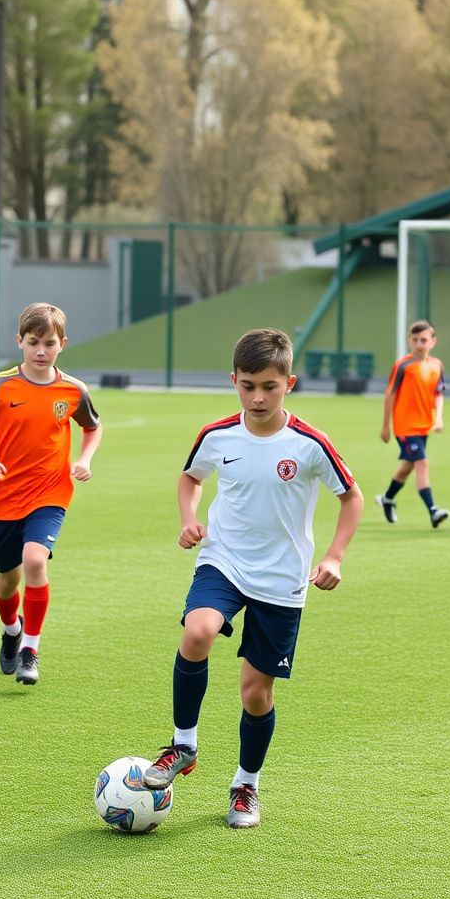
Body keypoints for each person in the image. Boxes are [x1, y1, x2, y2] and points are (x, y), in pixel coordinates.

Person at [141, 329, 363, 828]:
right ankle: (183, 745)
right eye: (248, 386)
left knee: (255, 694)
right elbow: (190, 478)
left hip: (282, 578)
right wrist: (188, 518)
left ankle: (246, 785)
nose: (258, 397)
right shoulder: (217, 435)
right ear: (234, 381)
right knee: (197, 631)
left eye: (269, 386)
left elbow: (351, 497)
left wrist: (334, 557)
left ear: (289, 383)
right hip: (224, 560)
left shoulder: (310, 444)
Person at [0, 303, 102, 686]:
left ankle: (30, 650)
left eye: (49, 343)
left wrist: (84, 459)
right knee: (7, 580)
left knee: (35, 560)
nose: (41, 351)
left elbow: (92, 427)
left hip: (51, 492)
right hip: (3, 497)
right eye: (33, 342)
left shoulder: (73, 390)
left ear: (62, 344)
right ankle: (11, 629)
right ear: (20, 341)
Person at [376, 319, 450, 528]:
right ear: (409, 340)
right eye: (415, 340)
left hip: (424, 426)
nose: (419, 344)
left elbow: (438, 394)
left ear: (433, 342)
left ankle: (387, 499)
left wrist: (438, 418)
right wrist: (386, 426)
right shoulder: (403, 366)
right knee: (422, 463)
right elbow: (390, 394)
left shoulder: (437, 365)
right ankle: (433, 510)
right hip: (405, 427)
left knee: (407, 467)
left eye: (423, 340)